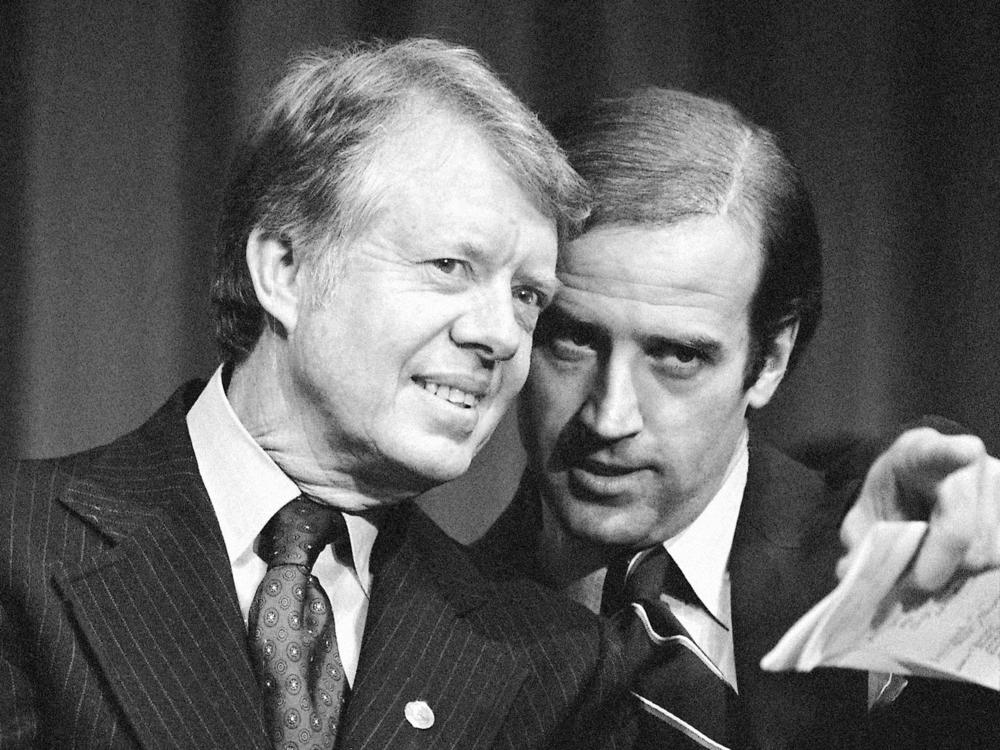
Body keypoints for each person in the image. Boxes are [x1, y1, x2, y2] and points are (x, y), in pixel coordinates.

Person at [0, 39, 633, 750]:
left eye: (527, 295)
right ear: (285, 269)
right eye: (451, 265)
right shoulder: (18, 548)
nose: (503, 336)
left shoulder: (555, 665)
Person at [476, 87, 1000, 749]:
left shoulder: (889, 566)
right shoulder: (418, 635)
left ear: (771, 358)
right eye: (572, 338)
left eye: (676, 356)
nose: (609, 417)